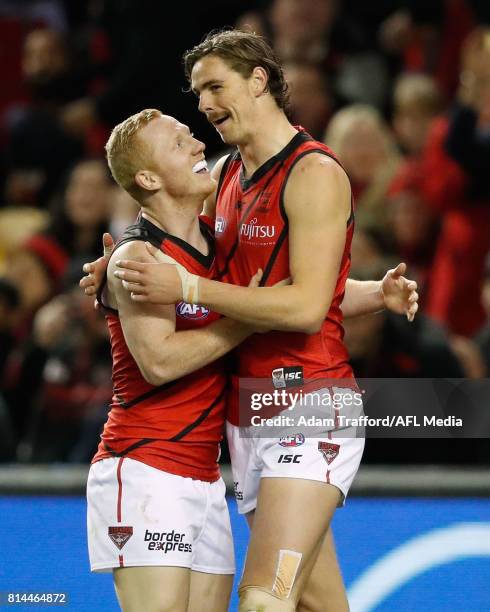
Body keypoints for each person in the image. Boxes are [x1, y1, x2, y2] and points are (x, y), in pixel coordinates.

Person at [83, 30, 419, 612]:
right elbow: (251, 287)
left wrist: (183, 286)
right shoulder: (226, 177)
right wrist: (115, 274)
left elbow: (305, 305)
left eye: (215, 87)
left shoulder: (312, 172)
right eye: (197, 94)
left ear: (259, 80)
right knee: (317, 602)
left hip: (310, 402)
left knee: (266, 600)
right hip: (245, 419)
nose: (205, 107)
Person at [86, 108, 267, 612]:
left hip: (206, 478)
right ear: (147, 178)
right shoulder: (137, 257)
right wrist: (247, 318)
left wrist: (377, 294)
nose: (196, 146)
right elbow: (159, 362)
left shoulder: (220, 245)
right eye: (178, 142)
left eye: (191, 136)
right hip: (145, 466)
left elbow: (297, 294)